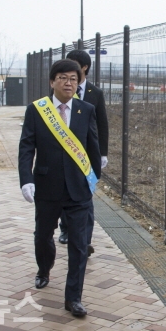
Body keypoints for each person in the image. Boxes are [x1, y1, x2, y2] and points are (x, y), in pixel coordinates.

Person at [18, 59, 101, 317]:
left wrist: (93, 180)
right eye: (63, 78)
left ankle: (73, 298)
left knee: (79, 244)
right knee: (43, 236)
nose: (68, 83)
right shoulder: (36, 110)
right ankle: (44, 269)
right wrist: (26, 179)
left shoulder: (86, 110)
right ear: (52, 81)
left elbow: (93, 148)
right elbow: (26, 147)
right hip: (47, 186)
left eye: (73, 79)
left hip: (78, 190)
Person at [58, 50, 109, 256]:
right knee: (64, 191)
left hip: (85, 154)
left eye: (73, 64)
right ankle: (65, 229)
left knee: (86, 196)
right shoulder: (60, 89)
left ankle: (85, 239)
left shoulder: (95, 93)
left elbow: (102, 124)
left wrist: (102, 153)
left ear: (84, 68)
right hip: (63, 152)